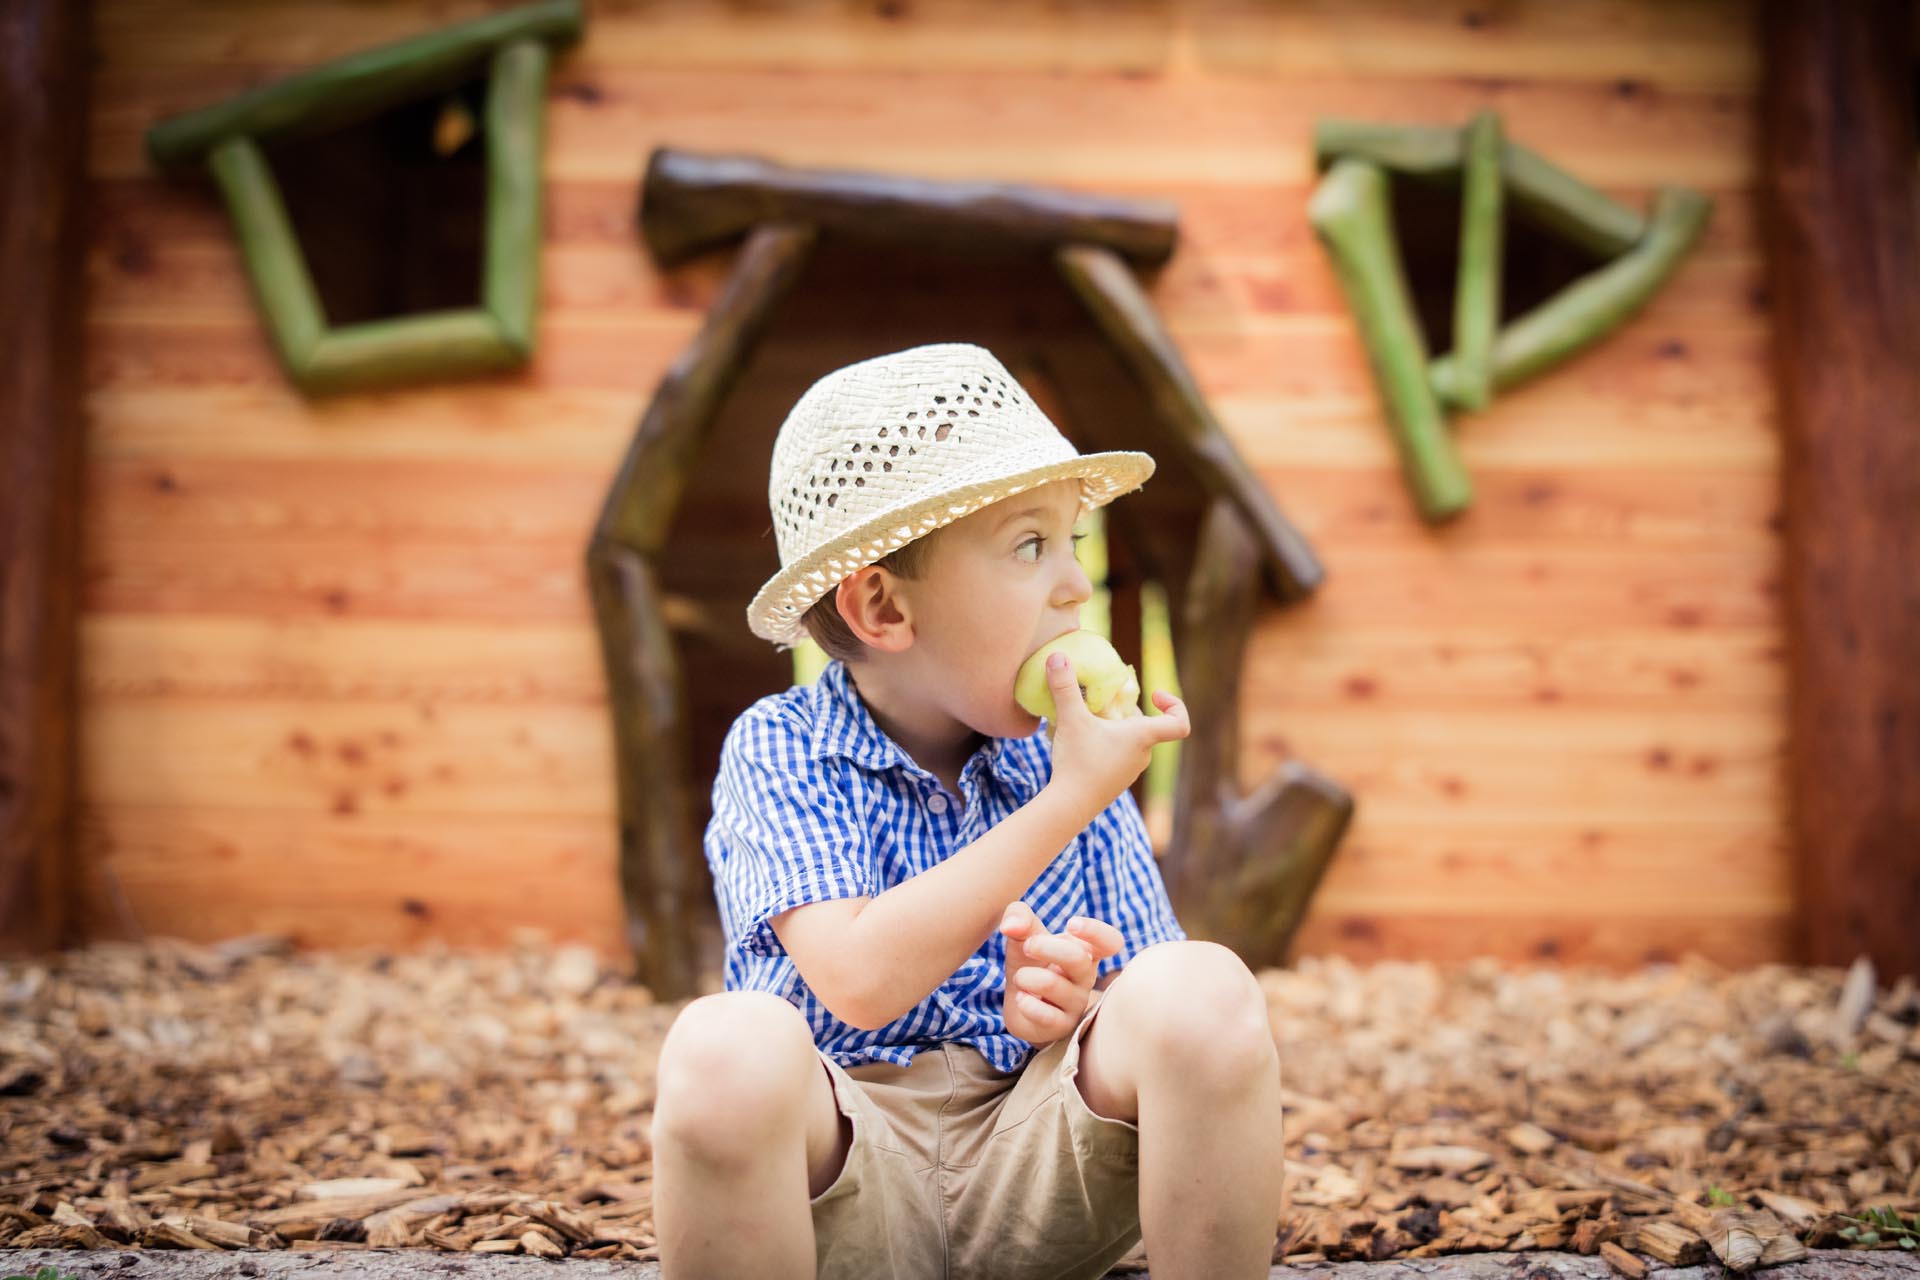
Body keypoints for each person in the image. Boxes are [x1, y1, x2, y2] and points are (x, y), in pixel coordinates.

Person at [649, 342, 1284, 1280]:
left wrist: (1071, 1009)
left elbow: (1160, 1020)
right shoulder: (781, 748)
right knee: (719, 1047)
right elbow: (858, 981)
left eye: (1075, 543)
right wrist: (1068, 802)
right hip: (839, 1188)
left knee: (1207, 987)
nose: (1077, 583)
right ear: (883, 608)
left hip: (1039, 1162)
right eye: (1031, 545)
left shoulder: (1066, 753)